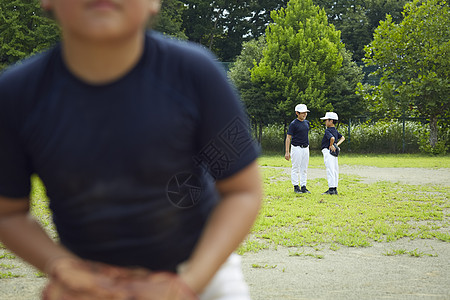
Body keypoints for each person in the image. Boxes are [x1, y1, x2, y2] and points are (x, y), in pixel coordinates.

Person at [0, 1, 262, 299]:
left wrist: (184, 286)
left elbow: (241, 191)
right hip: (87, 282)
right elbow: (8, 212)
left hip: (199, 270)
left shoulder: (195, 74)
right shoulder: (15, 96)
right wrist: (61, 265)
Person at [285, 104, 311, 194]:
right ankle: (296, 186)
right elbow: (288, 137)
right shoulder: (293, 124)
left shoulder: (307, 123)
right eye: (302, 113)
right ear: (297, 113)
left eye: (305, 113)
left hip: (305, 148)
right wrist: (287, 152)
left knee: (304, 168)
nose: (304, 115)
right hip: (296, 148)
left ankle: (303, 186)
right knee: (296, 168)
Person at [320, 112, 345, 195]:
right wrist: (336, 145)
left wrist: (331, 145)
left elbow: (332, 138)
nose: (325, 122)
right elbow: (342, 138)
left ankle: (331, 189)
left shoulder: (328, 130)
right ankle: (334, 188)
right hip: (334, 153)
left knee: (330, 169)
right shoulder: (335, 130)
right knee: (334, 169)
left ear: (331, 121)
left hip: (328, 151)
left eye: (326, 120)